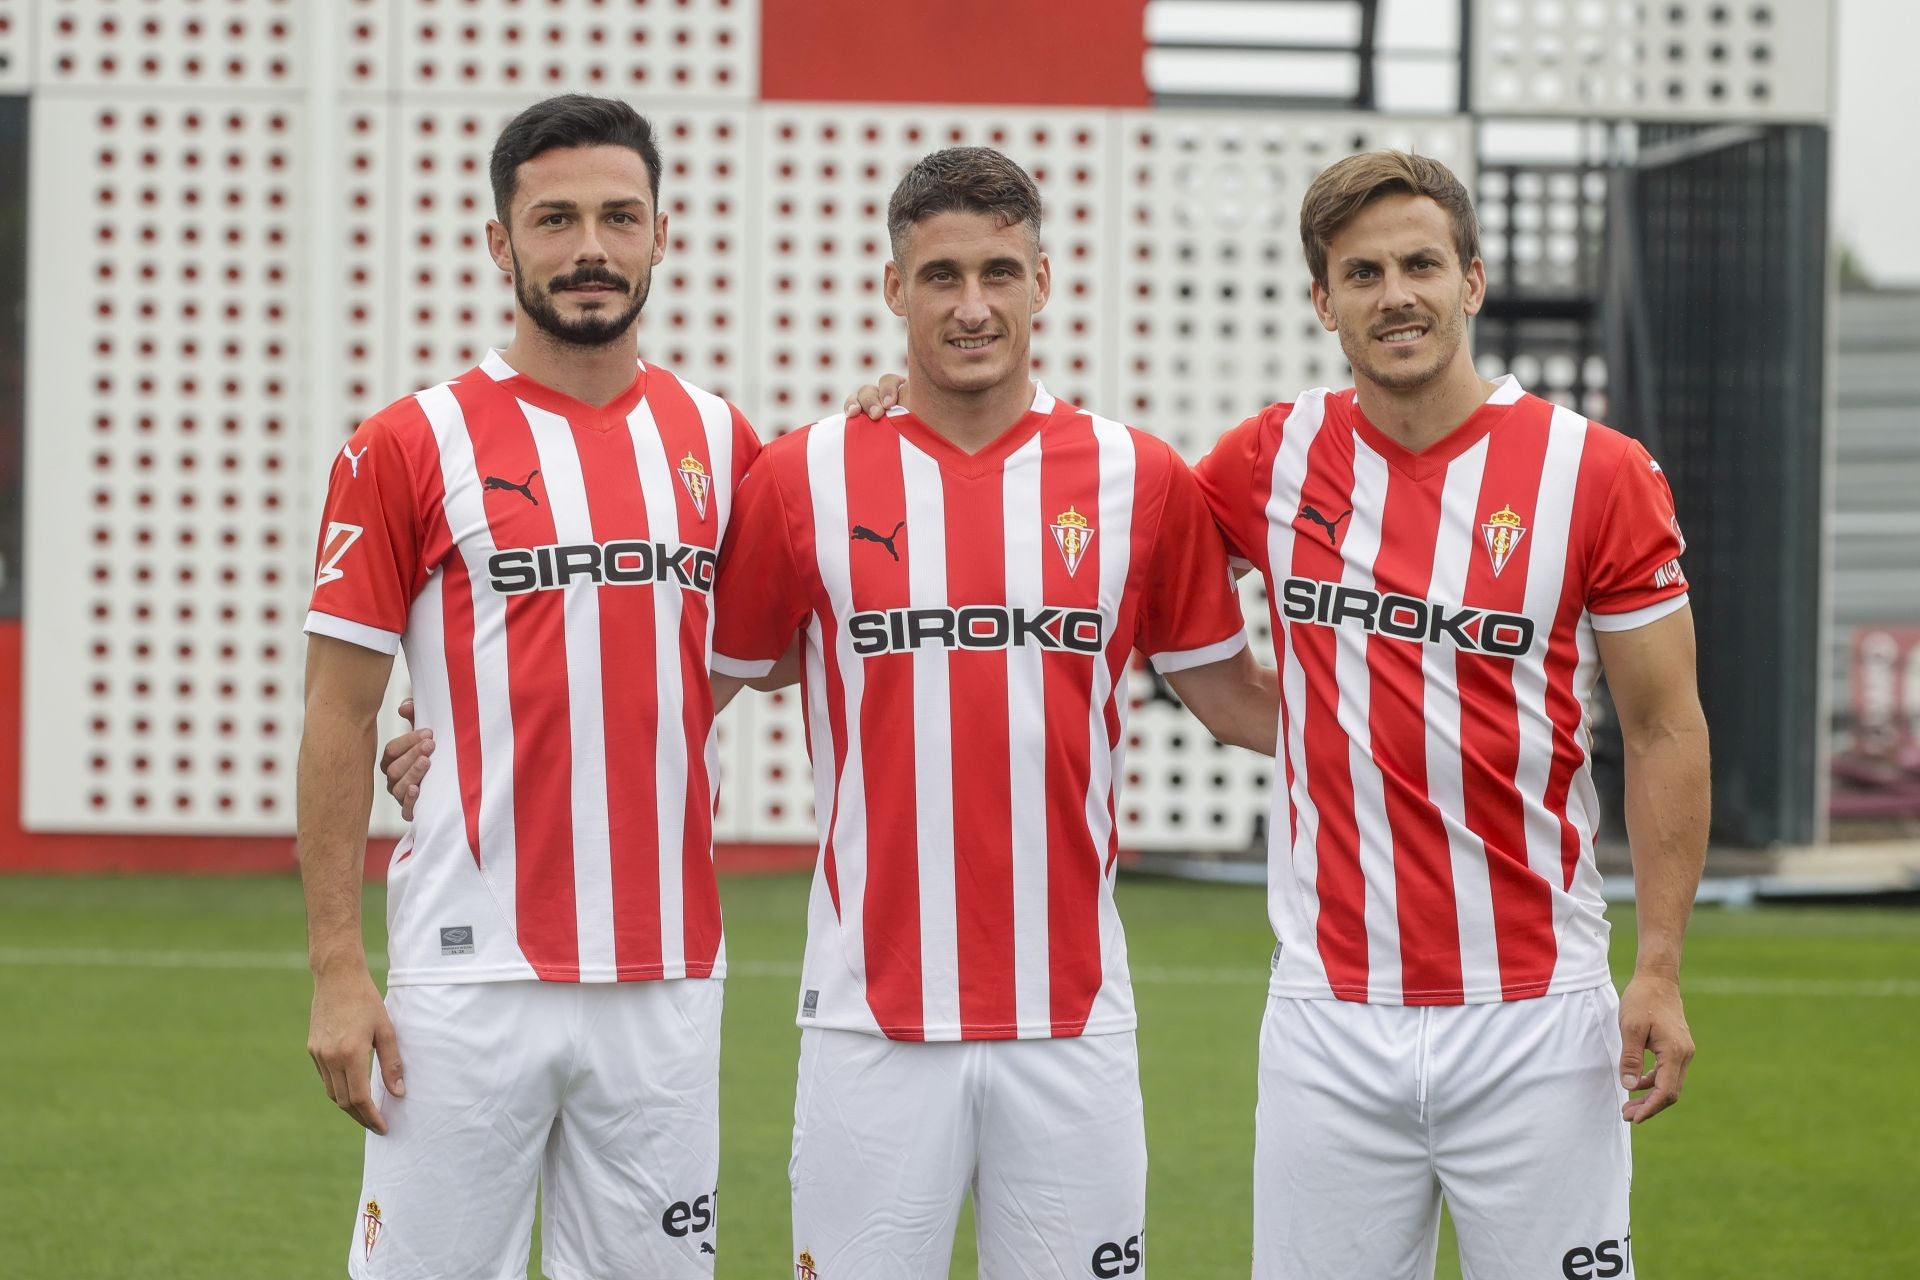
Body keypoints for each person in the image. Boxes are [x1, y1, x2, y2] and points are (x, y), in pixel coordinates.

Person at [707, 146, 1275, 1278]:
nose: (973, 306)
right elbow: (707, 676)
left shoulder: (1138, 477)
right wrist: (458, 736)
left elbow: (1229, 696)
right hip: (871, 1015)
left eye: (1000, 273)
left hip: (1072, 1015)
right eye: (942, 276)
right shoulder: (802, 474)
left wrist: (1434, 718)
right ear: (892, 288)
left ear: (1044, 280)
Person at [1191, 151, 1709, 1279]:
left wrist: (1659, 963)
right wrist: (904, 406)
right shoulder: (1264, 459)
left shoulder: (1595, 471)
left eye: (1421, 263)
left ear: (1471, 280)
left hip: (1537, 1011)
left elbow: (1667, 726)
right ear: (1323, 301)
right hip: (1330, 1010)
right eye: (1362, 272)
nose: (1397, 295)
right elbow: (1111, 552)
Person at [297, 94, 763, 1280]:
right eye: (554, 219)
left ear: (663, 233)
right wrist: (339, 971)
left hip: (665, 974)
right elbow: (340, 712)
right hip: (466, 971)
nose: (590, 247)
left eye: (618, 216)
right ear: (501, 243)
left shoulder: (727, 442)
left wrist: (882, 412)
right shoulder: (405, 443)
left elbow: (778, 648)